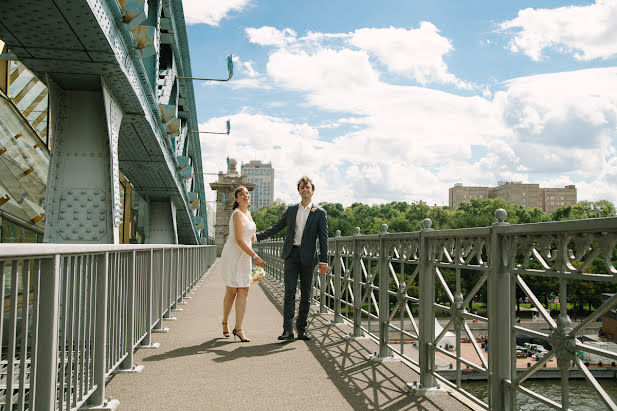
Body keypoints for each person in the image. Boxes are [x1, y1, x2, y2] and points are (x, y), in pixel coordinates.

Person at [256, 176, 328, 341]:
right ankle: (287, 330)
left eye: (307, 187)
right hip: (291, 255)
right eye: (302, 187)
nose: (305, 189)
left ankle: (301, 330)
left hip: (309, 257)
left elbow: (324, 239)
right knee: (289, 293)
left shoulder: (320, 213)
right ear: (299, 191)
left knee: (306, 294)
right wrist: (258, 236)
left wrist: (324, 261)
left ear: (312, 190)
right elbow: (277, 227)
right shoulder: (291, 210)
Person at [220, 186, 264, 342]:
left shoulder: (249, 214)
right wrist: (255, 256)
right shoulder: (237, 214)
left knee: (244, 291)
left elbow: (251, 238)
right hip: (233, 255)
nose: (245, 195)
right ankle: (225, 322)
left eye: (247, 193)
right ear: (237, 199)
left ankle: (238, 329)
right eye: (241, 194)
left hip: (244, 257)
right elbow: (239, 240)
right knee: (231, 291)